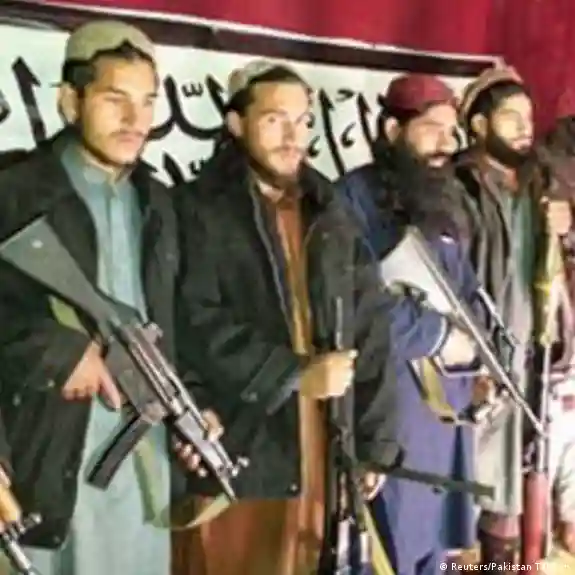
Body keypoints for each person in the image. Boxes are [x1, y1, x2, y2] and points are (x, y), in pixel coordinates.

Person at [171, 59, 402, 575]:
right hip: (242, 442)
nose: (293, 137)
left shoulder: (331, 212)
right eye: (275, 120)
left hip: (323, 443)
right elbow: (193, 322)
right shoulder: (196, 210)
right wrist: (294, 375)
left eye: (302, 122)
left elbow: (371, 328)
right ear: (236, 124)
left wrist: (375, 442)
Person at [0, 20, 199, 575]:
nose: (136, 120)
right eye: (116, 99)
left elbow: (180, 323)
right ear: (70, 101)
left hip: (143, 470)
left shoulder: (160, 203)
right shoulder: (14, 193)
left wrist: (197, 409)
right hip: (42, 460)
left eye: (148, 102)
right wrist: (59, 352)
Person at [336, 73, 480, 575]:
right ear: (393, 131)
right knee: (388, 549)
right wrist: (438, 336)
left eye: (451, 130)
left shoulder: (448, 198)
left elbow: (468, 292)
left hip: (446, 410)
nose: (447, 143)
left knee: (434, 553)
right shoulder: (349, 200)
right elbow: (356, 304)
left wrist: (480, 358)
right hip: (390, 409)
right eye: (432, 128)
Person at [455, 64, 573, 570]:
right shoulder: (458, 186)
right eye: (511, 117)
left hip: (533, 361)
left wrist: (566, 230)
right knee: (474, 488)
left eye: (528, 117)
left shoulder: (539, 184)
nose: (525, 128)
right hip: (478, 364)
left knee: (518, 486)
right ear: (479, 125)